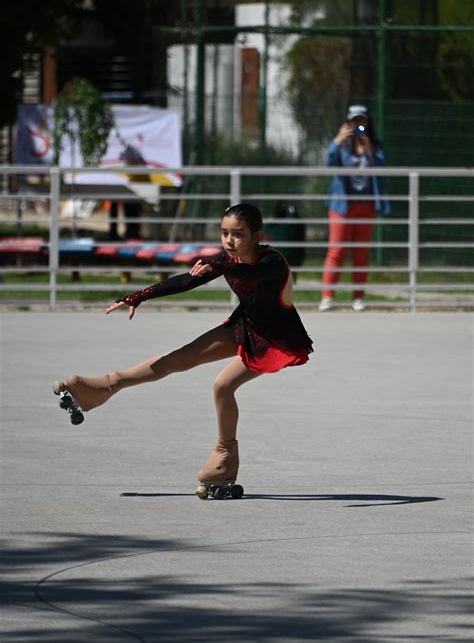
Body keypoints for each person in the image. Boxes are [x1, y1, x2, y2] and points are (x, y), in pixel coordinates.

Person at [54, 203, 313, 497]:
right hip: (246, 325)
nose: (229, 240)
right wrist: (139, 296)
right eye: (224, 233)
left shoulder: (273, 262)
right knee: (175, 359)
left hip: (275, 339)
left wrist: (218, 265)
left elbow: (252, 276)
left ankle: (225, 458)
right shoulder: (228, 259)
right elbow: (186, 281)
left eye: (238, 234)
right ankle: (102, 388)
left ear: (257, 235)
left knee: (222, 386)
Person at [319, 104, 390, 312]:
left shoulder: (375, 146)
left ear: (368, 122)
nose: (358, 125)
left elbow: (382, 169)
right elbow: (328, 163)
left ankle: (358, 297)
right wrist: (336, 141)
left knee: (361, 253)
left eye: (361, 120)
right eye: (354, 121)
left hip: (367, 205)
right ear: (347, 122)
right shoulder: (341, 146)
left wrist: (369, 152)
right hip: (342, 206)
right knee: (337, 250)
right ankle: (327, 296)